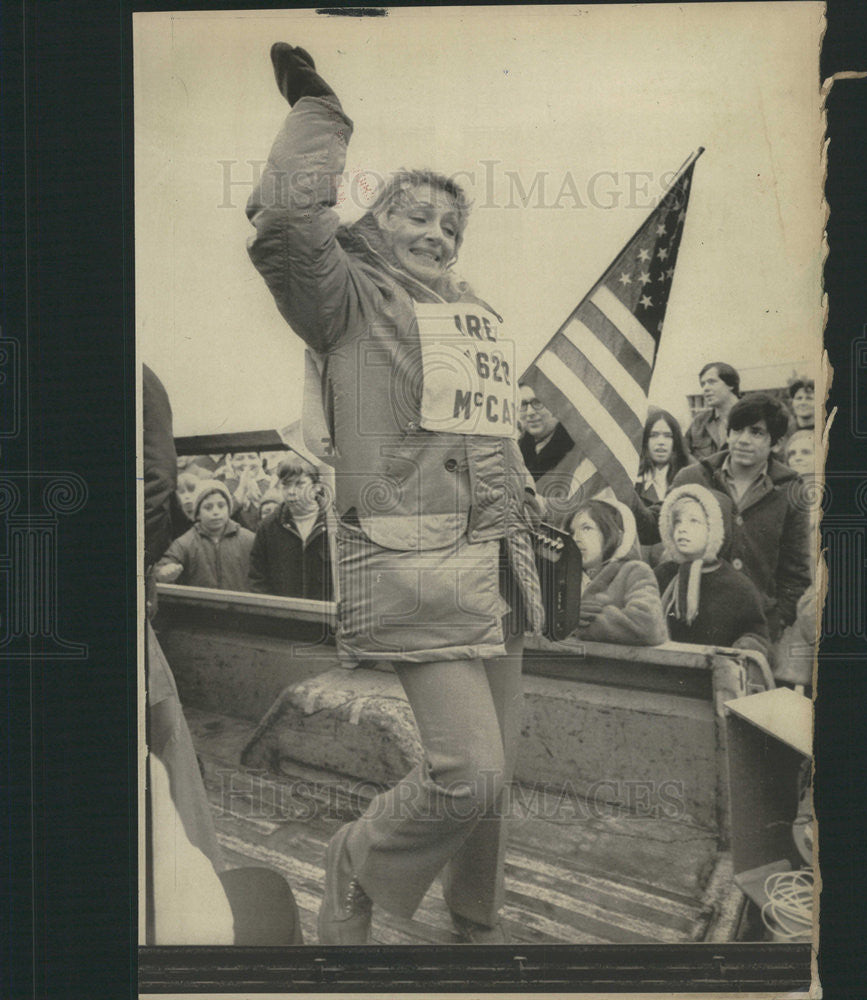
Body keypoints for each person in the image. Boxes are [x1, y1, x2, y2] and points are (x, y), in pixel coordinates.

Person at [246, 43, 545, 945]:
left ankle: (473, 920)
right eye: (416, 216)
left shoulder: (471, 314)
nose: (437, 234)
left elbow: (489, 447)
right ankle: (354, 859)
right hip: (417, 569)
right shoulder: (346, 298)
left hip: (498, 566)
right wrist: (320, 115)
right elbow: (286, 224)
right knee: (469, 773)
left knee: (498, 771)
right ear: (376, 222)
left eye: (450, 226)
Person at [672, 392, 810, 640]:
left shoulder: (791, 491)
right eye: (737, 430)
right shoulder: (693, 478)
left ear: (776, 443)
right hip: (691, 622)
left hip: (753, 630)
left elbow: (795, 573)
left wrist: (773, 624)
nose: (743, 440)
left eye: (756, 432)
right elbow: (658, 528)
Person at [655, 484, 770, 658]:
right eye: (677, 521)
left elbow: (756, 634)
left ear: (716, 530)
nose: (682, 528)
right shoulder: (661, 575)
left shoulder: (737, 586)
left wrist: (746, 645)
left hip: (712, 677)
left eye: (694, 521)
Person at [567, 497, 667, 646]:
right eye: (572, 532)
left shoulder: (634, 571)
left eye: (586, 528)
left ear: (614, 533)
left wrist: (578, 624)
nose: (576, 538)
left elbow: (647, 626)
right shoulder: (563, 575)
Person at [248, 461, 334, 600]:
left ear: (316, 487)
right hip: (283, 617)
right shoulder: (268, 527)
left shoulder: (335, 524)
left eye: (300, 484)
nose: (292, 492)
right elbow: (258, 579)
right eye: (286, 484)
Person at [155, 480, 255, 592]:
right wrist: (164, 572)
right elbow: (162, 568)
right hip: (200, 606)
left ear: (228, 509)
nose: (215, 512)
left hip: (240, 606)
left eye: (221, 506)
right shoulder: (185, 543)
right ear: (198, 513)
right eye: (208, 507)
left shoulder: (249, 540)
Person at [631, 408, 692, 559]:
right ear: (645, 440)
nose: (661, 442)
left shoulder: (690, 475)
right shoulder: (632, 478)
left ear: (676, 441)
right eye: (654, 435)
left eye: (667, 436)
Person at [517, 384, 575, 481]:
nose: (530, 412)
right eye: (523, 404)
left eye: (538, 402)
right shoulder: (517, 452)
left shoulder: (576, 451)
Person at [684, 362, 740, 460]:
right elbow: (682, 452)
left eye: (712, 382)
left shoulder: (755, 417)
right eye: (703, 384)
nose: (705, 389)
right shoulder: (699, 422)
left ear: (730, 384)